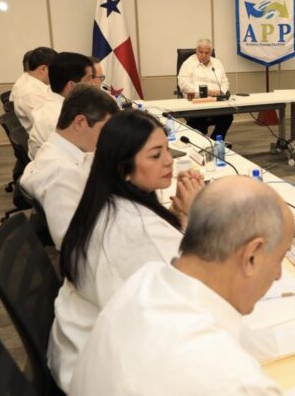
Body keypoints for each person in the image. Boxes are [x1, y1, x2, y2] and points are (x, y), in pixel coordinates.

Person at [70, 177, 295, 396]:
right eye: (278, 261)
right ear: (251, 256)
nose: (278, 276)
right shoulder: (234, 381)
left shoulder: (145, 283)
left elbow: (232, 339)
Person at [48, 110, 204, 391]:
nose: (169, 161)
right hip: (105, 373)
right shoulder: (134, 229)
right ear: (124, 169)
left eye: (167, 150)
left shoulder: (107, 199)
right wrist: (193, 217)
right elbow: (195, 288)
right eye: (155, 155)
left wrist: (176, 213)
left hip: (81, 343)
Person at [20, 85, 119, 249]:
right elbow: (74, 244)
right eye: (105, 130)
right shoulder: (62, 173)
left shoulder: (57, 148)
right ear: (80, 122)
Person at [28, 52, 95, 158]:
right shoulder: (60, 118)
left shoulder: (56, 104)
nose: (93, 84)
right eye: (90, 78)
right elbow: (86, 155)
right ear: (72, 86)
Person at [177, 38, 233, 139]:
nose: (203, 55)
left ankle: (216, 142)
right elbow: (184, 85)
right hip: (196, 103)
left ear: (211, 52)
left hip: (216, 102)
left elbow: (225, 81)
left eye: (207, 53)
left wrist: (221, 91)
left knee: (227, 117)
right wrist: (206, 92)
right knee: (199, 125)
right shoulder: (188, 64)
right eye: (201, 52)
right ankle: (203, 143)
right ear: (196, 51)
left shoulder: (217, 63)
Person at [10, 47, 57, 130]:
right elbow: (47, 126)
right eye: (56, 69)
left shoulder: (37, 86)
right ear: (43, 69)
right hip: (45, 139)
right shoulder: (30, 92)